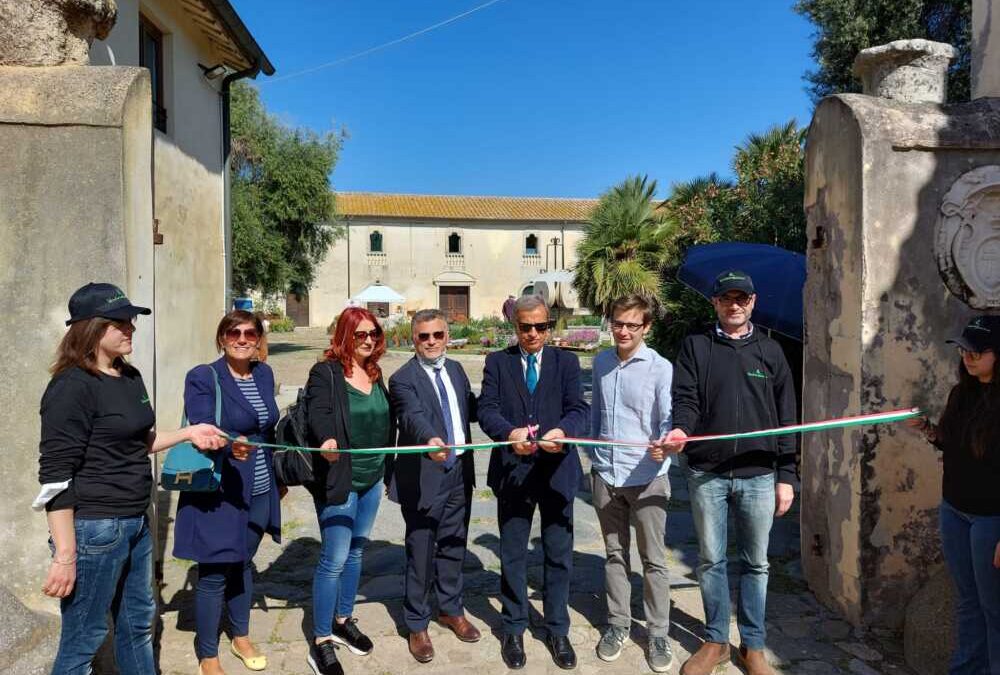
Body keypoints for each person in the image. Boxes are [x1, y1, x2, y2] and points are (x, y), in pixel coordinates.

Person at [35, 282, 226, 675]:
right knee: (84, 639)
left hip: (137, 522)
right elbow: (56, 475)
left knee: (139, 624)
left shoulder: (129, 376)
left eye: (131, 321)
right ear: (90, 328)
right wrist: (66, 555)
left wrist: (191, 432)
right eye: (120, 322)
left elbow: (142, 441)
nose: (130, 328)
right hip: (94, 530)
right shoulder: (71, 387)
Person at [664, 270, 797, 675]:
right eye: (726, 298)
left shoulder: (771, 352)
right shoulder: (696, 346)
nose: (734, 304)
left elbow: (787, 417)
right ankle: (717, 640)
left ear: (753, 302)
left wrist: (787, 475)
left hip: (758, 474)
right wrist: (682, 429)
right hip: (708, 472)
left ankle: (752, 645)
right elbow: (685, 398)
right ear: (715, 303)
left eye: (742, 298)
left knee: (757, 563)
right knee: (711, 560)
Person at [478, 295, 590, 670]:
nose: (532, 333)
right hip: (514, 472)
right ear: (515, 327)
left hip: (557, 473)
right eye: (525, 327)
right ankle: (513, 627)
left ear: (549, 326)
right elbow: (486, 410)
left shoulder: (567, 362)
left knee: (558, 555)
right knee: (511, 554)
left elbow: (579, 409)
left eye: (540, 326)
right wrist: (509, 433)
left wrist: (564, 431)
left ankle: (557, 628)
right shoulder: (498, 362)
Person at [173, 310, 281, 675]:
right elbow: (202, 424)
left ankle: (240, 635)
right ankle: (208, 654)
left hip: (261, 488)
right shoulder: (204, 376)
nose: (242, 338)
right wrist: (227, 445)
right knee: (215, 573)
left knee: (243, 562)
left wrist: (278, 476)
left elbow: (267, 429)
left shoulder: (264, 373)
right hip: (220, 489)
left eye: (250, 333)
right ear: (221, 338)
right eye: (233, 332)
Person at [305, 307, 395, 675]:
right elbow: (318, 413)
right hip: (339, 478)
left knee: (357, 552)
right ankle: (321, 640)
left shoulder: (375, 374)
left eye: (373, 333)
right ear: (344, 335)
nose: (369, 340)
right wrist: (326, 438)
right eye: (360, 334)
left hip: (372, 478)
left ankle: (343, 619)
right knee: (334, 558)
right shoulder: (326, 372)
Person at [388, 309, 481, 663]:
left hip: (459, 474)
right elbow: (411, 415)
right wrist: (430, 438)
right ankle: (416, 623)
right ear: (414, 338)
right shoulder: (402, 379)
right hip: (426, 477)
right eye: (423, 336)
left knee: (454, 546)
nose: (431, 342)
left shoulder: (455, 369)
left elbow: (469, 409)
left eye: (437, 335)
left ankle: (451, 609)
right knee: (421, 553)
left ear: (447, 335)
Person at [909, 315, 1000, 674]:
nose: (968, 356)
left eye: (977, 350)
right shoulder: (962, 392)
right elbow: (954, 444)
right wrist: (929, 431)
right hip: (955, 511)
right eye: (964, 348)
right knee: (968, 601)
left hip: (992, 519)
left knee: (994, 607)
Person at [589, 295, 675, 672]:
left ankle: (658, 633)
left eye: (632, 325)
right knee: (614, 555)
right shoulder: (601, 362)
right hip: (606, 474)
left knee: (654, 560)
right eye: (618, 323)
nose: (623, 331)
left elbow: (667, 418)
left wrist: (664, 445)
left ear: (647, 328)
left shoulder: (660, 367)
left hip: (647, 478)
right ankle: (618, 625)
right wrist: (592, 457)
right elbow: (596, 415)